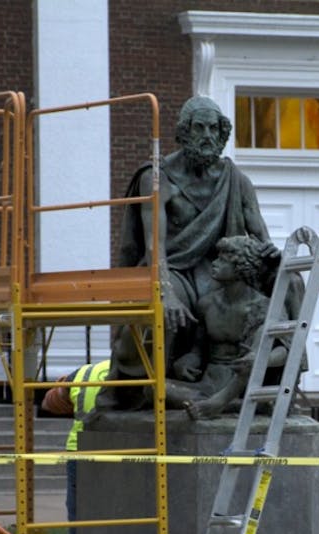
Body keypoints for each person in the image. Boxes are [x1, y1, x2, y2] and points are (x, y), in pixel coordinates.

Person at [102, 95, 301, 410]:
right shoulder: (156, 178)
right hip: (172, 269)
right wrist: (166, 291)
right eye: (199, 128)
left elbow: (261, 237)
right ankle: (146, 390)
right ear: (184, 133)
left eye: (213, 129)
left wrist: (277, 264)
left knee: (290, 283)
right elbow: (154, 246)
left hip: (219, 267)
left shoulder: (236, 180)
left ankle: (279, 383)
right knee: (167, 307)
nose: (207, 136)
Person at [165, 235, 287, 420]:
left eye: (222, 259)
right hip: (208, 384)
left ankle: (221, 403)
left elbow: (286, 350)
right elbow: (199, 350)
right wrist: (188, 361)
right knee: (154, 389)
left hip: (243, 384)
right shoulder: (206, 304)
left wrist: (262, 359)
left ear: (241, 266)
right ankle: (233, 406)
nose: (214, 263)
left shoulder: (264, 307)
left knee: (257, 347)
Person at [42, 359, 111, 534]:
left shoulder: (84, 372)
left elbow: (49, 403)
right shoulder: (136, 373)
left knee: (78, 510)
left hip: (78, 448)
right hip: (117, 448)